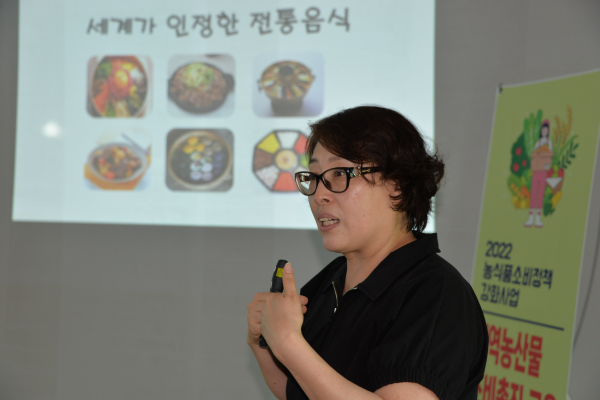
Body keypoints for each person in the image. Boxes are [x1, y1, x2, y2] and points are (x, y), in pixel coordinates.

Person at [247, 106, 488, 400]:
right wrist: (263, 339)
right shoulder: (333, 278)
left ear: (397, 185)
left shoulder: (435, 292)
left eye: (339, 174)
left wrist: (287, 342)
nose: (319, 195)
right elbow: (298, 390)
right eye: (314, 176)